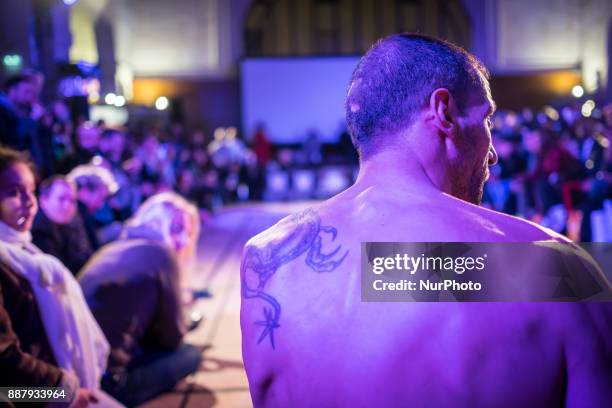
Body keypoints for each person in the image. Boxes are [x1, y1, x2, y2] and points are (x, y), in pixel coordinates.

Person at [240, 34, 612, 407]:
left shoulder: (269, 261)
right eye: (486, 119)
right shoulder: (549, 268)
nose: (493, 153)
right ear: (444, 112)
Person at [0, 145, 120, 407]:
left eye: (30, 191)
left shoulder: (24, 251)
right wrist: (63, 392)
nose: (29, 202)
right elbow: (4, 379)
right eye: (13, 193)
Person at [78, 192, 203, 406]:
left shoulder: (113, 247)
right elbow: (171, 338)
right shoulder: (162, 253)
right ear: (157, 224)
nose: (183, 240)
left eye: (187, 233)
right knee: (191, 354)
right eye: (176, 228)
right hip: (107, 384)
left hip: (68, 376)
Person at [31, 176, 93, 276]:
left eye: (72, 200)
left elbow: (87, 254)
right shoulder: (38, 232)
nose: (68, 205)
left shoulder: (74, 222)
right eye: (61, 199)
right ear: (43, 201)